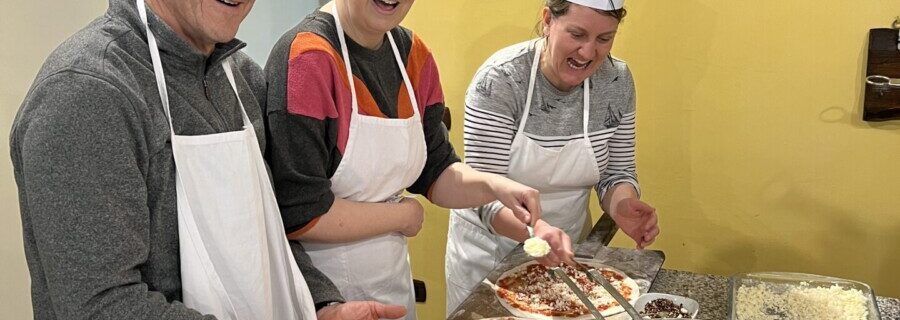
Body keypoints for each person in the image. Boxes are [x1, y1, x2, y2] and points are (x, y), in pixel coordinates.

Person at [9, 0, 404, 319]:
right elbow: (99, 306)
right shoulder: (89, 92)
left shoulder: (242, 78)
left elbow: (268, 234)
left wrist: (322, 306)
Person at [262, 0, 560, 318]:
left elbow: (436, 171)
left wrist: (496, 186)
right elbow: (300, 212)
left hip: (393, 284)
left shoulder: (411, 54)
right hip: (325, 298)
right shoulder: (307, 58)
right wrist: (402, 217)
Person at [444, 0, 661, 313]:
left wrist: (621, 204)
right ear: (547, 20)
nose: (588, 53)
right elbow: (481, 195)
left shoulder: (616, 81)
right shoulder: (501, 80)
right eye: (577, 34)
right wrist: (535, 232)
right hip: (489, 253)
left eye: (604, 39)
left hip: (568, 254)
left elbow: (617, 171)